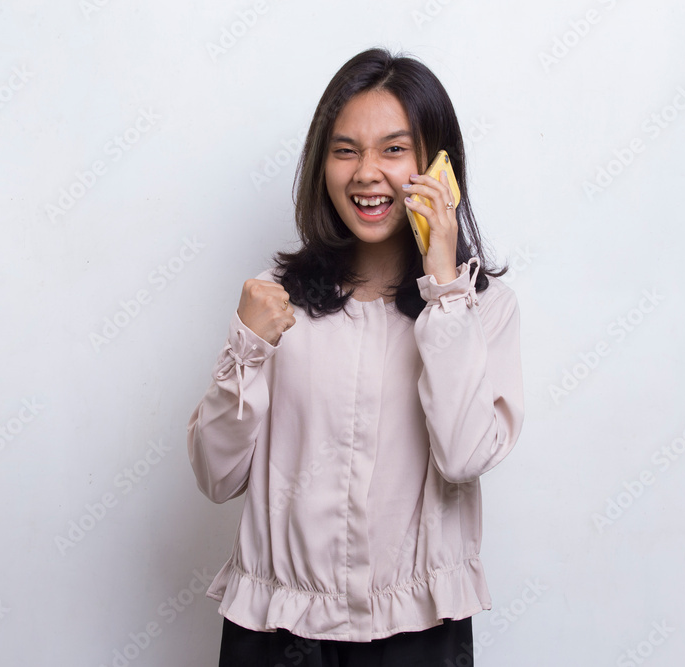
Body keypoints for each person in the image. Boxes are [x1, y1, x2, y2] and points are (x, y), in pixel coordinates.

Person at [187, 46, 525, 666]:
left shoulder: (480, 309)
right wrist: (249, 345)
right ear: (322, 166)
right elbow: (216, 476)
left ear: (439, 165)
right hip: (277, 633)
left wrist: (444, 289)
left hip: (419, 634)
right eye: (345, 150)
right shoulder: (274, 303)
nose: (367, 173)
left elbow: (463, 456)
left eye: (394, 149)